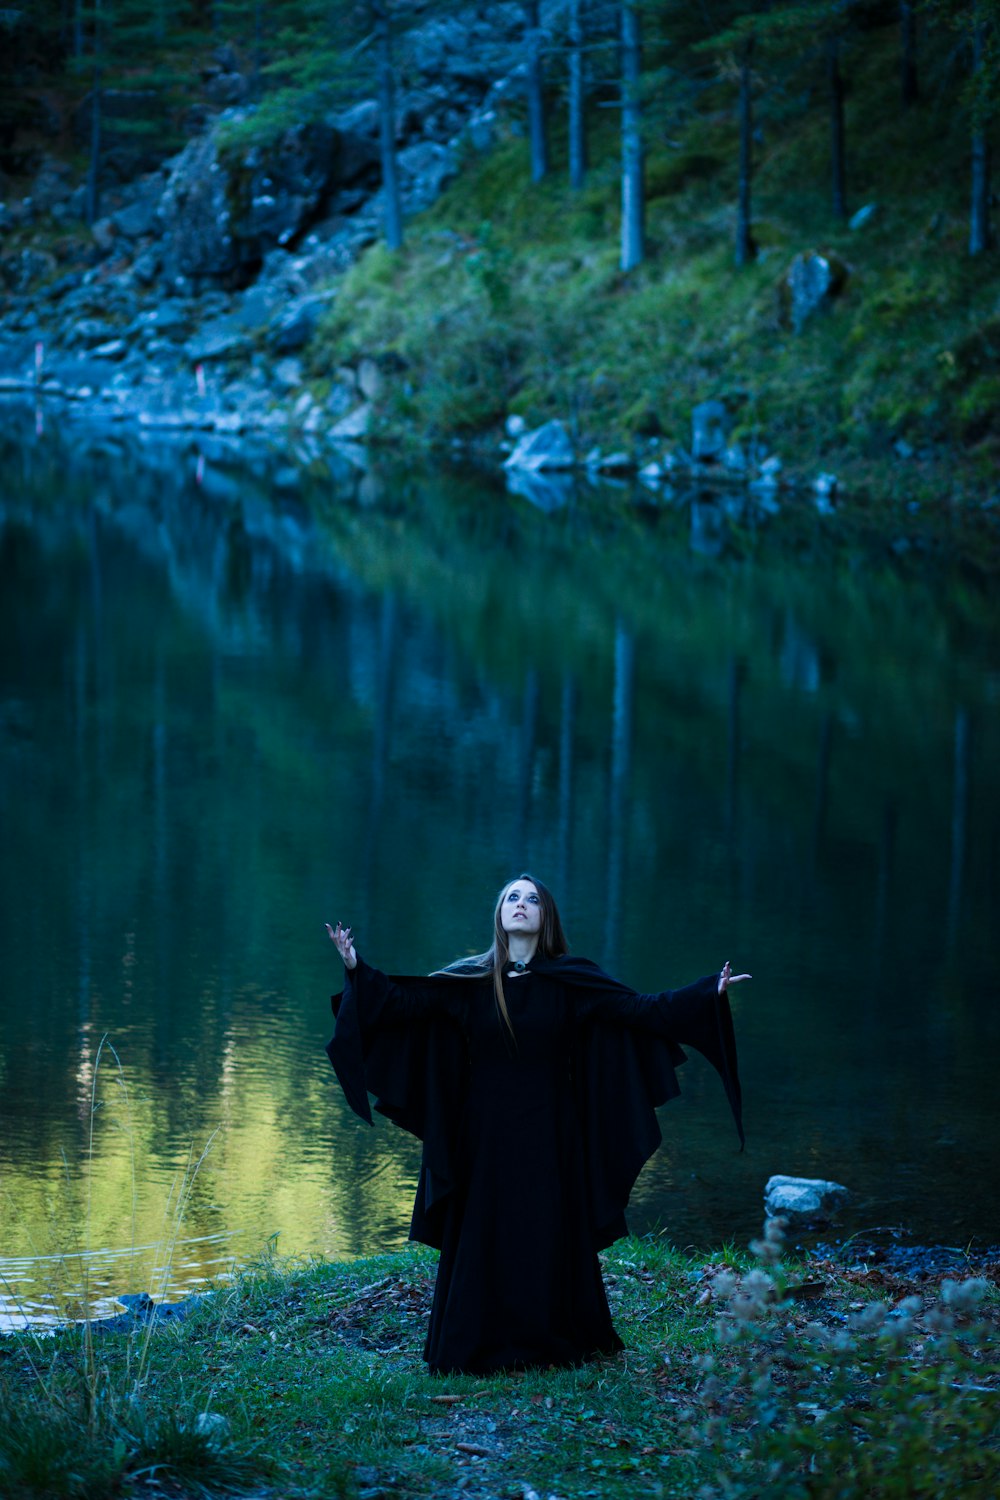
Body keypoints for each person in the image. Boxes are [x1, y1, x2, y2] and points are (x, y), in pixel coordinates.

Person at [325, 873, 749, 1376]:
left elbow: (642, 1010)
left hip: (552, 1132)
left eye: (531, 899)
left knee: (547, 1229)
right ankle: (476, 1344)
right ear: (500, 915)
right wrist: (356, 967)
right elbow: (401, 1004)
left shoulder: (571, 981)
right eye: (511, 898)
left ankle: (551, 1342)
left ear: (545, 917)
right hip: (482, 1135)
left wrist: (707, 993)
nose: (520, 905)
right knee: (484, 1230)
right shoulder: (470, 981)